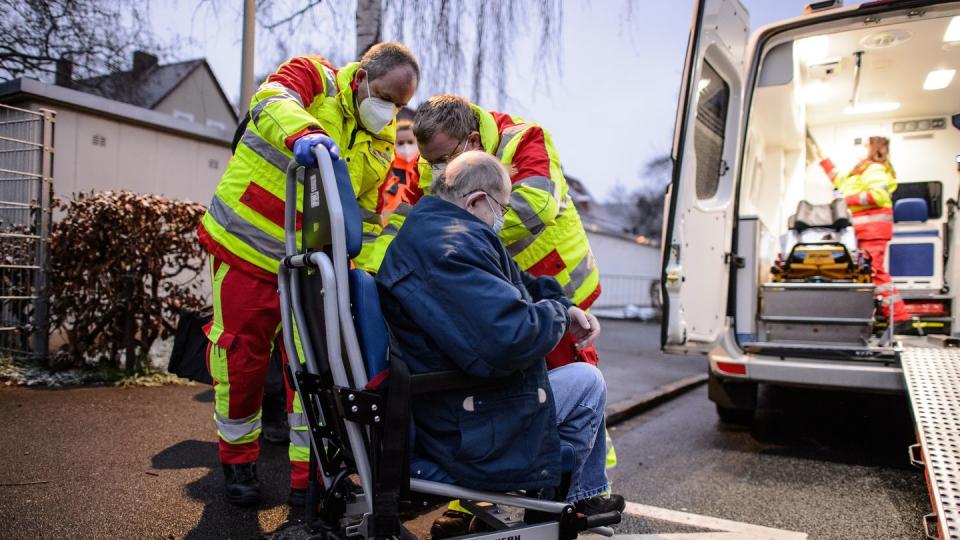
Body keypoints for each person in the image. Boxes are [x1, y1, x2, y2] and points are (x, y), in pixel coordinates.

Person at [197, 42, 419, 507]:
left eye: (399, 106)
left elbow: (366, 219)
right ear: (359, 78)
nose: (390, 113)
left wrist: (365, 274)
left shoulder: (380, 147)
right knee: (240, 362)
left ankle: (308, 480)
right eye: (385, 97)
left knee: (313, 374)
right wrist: (306, 134)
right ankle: (237, 462)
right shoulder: (313, 77)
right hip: (248, 250)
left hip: (314, 271)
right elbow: (271, 100)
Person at [376, 151, 625, 528]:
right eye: (502, 208)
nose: (502, 219)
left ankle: (564, 503)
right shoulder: (451, 248)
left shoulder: (440, 232)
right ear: (476, 200)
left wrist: (561, 305)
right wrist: (558, 316)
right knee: (587, 382)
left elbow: (517, 286)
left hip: (454, 405)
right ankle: (564, 505)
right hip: (460, 423)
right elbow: (509, 337)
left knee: (579, 381)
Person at [817, 136, 911, 332]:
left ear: (873, 149)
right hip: (864, 231)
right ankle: (878, 316)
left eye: (864, 145)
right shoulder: (859, 172)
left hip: (873, 229)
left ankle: (900, 318)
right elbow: (839, 180)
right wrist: (823, 159)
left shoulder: (876, 169)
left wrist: (845, 201)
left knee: (874, 272)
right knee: (865, 273)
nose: (859, 150)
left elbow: (877, 196)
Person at [377, 119, 419, 218]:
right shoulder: (386, 170)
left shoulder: (423, 170)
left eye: (410, 142)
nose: (406, 146)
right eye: (400, 143)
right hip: (388, 228)